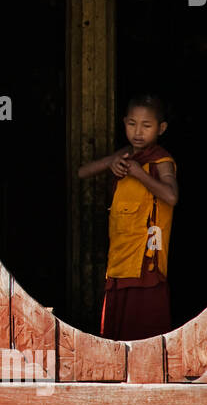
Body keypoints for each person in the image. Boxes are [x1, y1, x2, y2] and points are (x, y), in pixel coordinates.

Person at [76, 93, 179, 341]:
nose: (138, 132)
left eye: (146, 125)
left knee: (144, 328)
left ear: (161, 128)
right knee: (117, 329)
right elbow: (82, 172)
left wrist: (139, 174)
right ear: (124, 123)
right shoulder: (125, 155)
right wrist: (111, 161)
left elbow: (171, 197)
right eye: (132, 124)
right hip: (120, 254)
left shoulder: (161, 161)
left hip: (147, 257)